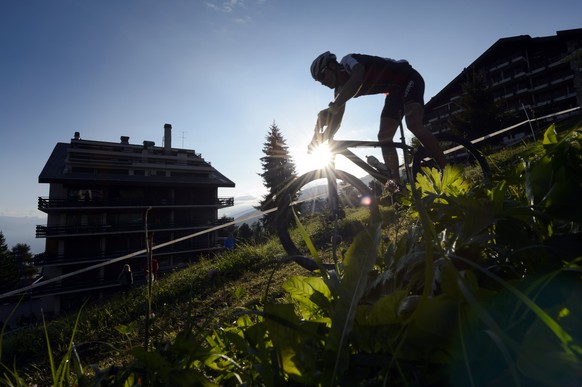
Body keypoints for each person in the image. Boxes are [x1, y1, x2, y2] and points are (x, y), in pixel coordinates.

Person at [309, 52, 446, 186]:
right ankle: (397, 186)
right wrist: (317, 138)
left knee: (413, 123)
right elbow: (336, 122)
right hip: (394, 92)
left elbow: (357, 79)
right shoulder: (340, 90)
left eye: (322, 75)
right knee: (384, 136)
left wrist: (334, 107)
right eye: (318, 81)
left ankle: (446, 170)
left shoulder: (348, 61)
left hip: (408, 78)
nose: (322, 82)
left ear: (332, 66)